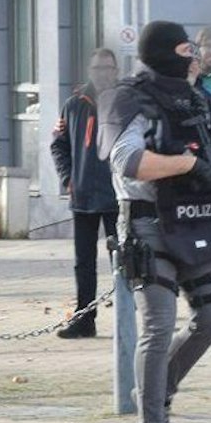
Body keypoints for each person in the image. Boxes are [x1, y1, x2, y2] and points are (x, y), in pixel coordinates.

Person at [104, 20, 211, 423]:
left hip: (200, 223)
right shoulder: (130, 98)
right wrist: (185, 167)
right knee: (158, 323)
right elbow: (127, 161)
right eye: (186, 50)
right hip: (148, 223)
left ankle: (158, 386)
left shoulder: (203, 101)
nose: (195, 57)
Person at [50, 48, 122, 339]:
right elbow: (58, 145)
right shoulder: (74, 105)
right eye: (97, 68)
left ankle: (128, 317)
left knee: (125, 258)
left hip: (118, 196)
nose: (102, 73)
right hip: (83, 196)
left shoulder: (126, 101)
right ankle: (85, 318)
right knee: (84, 263)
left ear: (116, 71)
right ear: (89, 71)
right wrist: (69, 178)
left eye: (107, 67)